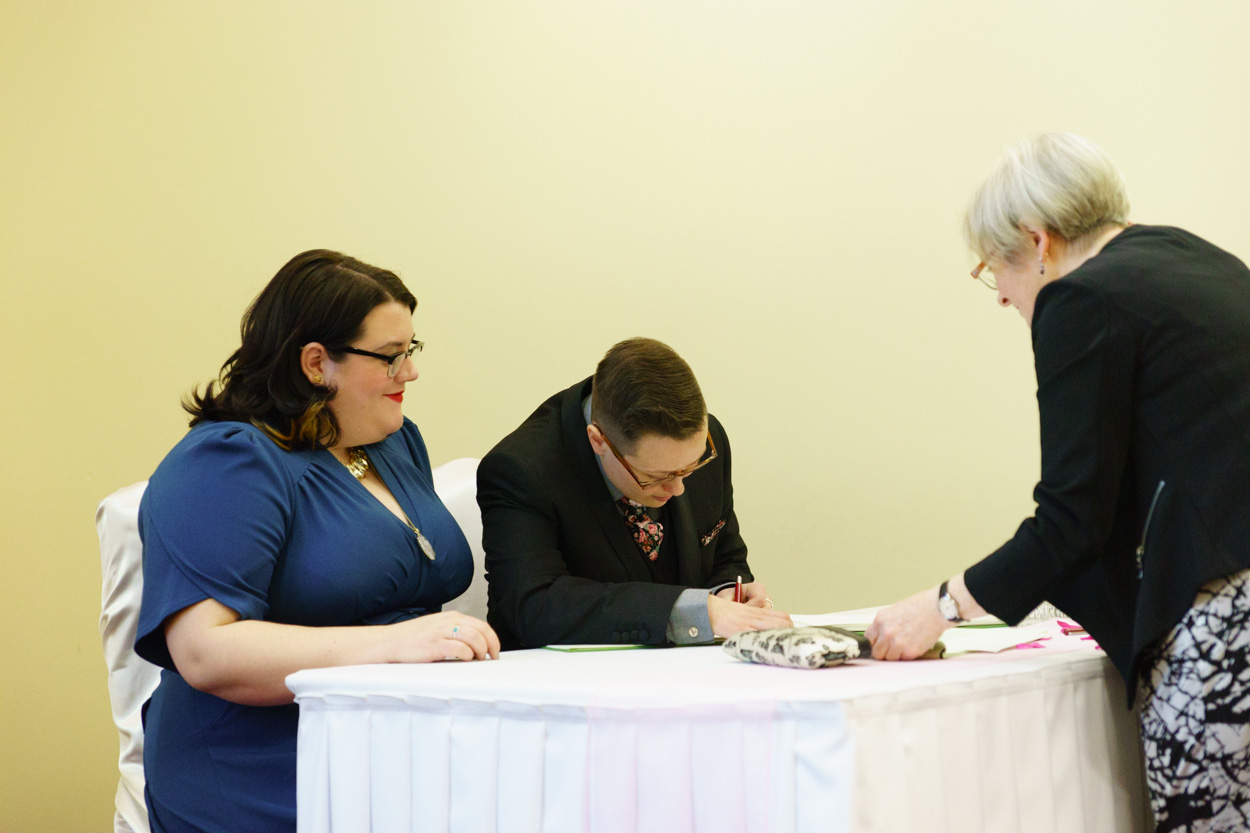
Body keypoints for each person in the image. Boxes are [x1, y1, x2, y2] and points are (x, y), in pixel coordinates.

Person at [866, 132, 1250, 833]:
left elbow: (1074, 518)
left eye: (992, 269)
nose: (1001, 296)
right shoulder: (1196, 258)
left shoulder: (1081, 299)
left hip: (1223, 626)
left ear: (1036, 240)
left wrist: (942, 605)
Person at [135, 250, 499, 833]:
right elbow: (205, 651)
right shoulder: (228, 462)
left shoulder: (393, 442)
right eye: (391, 355)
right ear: (315, 363)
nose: (409, 371)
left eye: (412, 349)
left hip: (391, 743)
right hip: (262, 766)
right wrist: (394, 643)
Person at [477, 336, 791, 650]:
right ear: (598, 441)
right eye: (655, 477)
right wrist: (694, 611)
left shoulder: (704, 443)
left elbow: (725, 555)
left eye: (689, 468)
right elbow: (533, 606)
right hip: (563, 673)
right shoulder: (522, 470)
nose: (678, 488)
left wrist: (726, 592)